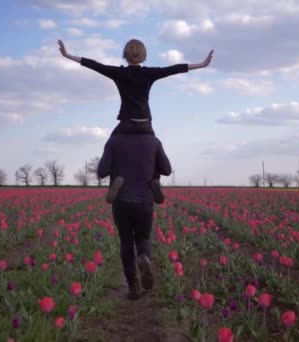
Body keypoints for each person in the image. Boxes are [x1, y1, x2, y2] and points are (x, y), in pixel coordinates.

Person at [57, 39, 213, 203]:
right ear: (144, 56)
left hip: (126, 123)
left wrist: (68, 55)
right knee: (156, 151)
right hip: (145, 124)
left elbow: (95, 65)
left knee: (111, 146)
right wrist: (201, 64)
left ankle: (114, 186)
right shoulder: (149, 73)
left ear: (125, 55)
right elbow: (173, 69)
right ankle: (155, 181)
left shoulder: (119, 73)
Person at [97, 132, 172, 300]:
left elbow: (102, 171)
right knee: (143, 238)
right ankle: (144, 256)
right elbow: (167, 169)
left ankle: (133, 287)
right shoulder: (154, 141)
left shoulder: (114, 140)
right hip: (145, 200)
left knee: (126, 240)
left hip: (121, 201)